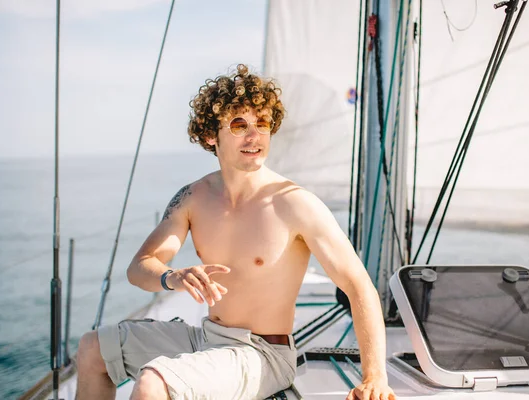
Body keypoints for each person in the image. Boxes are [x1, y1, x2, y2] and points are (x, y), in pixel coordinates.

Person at [76, 64, 396, 400]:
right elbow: (140, 267)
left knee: (153, 384)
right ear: (211, 135)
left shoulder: (295, 204)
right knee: (93, 349)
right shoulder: (194, 198)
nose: (254, 136)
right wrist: (173, 277)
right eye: (239, 125)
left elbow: (359, 286)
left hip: (263, 353)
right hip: (207, 338)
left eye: (262, 124)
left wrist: (375, 376)